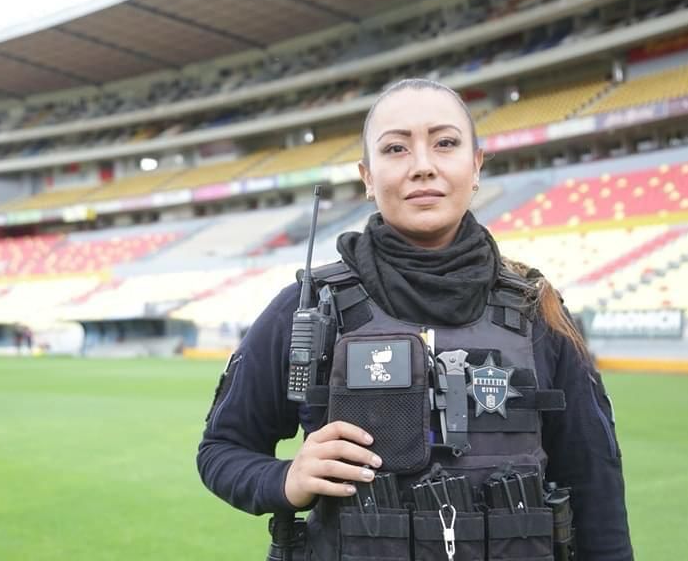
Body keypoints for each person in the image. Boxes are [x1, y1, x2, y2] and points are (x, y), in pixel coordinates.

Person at [197, 79, 633, 560]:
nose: (423, 166)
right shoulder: (306, 308)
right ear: (367, 176)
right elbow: (221, 449)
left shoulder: (538, 312)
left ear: (476, 165)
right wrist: (285, 479)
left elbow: (597, 487)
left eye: (445, 143)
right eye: (396, 148)